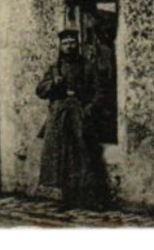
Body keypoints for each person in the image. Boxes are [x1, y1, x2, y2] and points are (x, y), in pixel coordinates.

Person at [36, 28, 111, 209]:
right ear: (60, 46)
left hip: (80, 114)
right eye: (66, 43)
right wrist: (53, 83)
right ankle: (66, 198)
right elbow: (40, 90)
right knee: (62, 155)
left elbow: (100, 91)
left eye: (72, 43)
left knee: (84, 154)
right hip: (60, 116)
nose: (69, 46)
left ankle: (89, 198)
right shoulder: (54, 68)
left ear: (77, 44)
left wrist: (89, 108)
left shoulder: (87, 65)